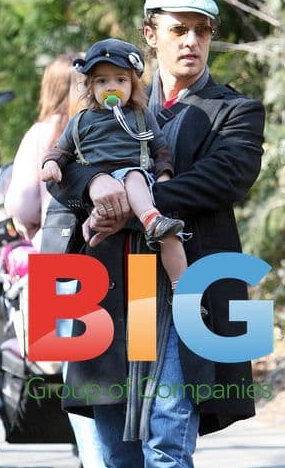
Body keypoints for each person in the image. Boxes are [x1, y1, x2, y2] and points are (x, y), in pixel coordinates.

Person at [44, 0, 265, 468]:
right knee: (113, 442)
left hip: (190, 283)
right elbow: (68, 167)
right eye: (179, 28)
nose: (192, 40)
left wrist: (139, 193)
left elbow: (225, 177)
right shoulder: (106, 98)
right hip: (113, 288)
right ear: (151, 34)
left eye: (202, 28)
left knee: (169, 428)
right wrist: (101, 183)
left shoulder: (236, 109)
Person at [5, 54, 119, 468]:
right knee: (127, 368)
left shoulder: (46, 134)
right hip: (121, 260)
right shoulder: (119, 124)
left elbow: (23, 202)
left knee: (81, 373)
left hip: (62, 263)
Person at [42, 38, 188, 292]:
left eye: (120, 80)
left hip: (140, 188)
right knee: (98, 234)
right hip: (102, 193)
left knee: (168, 235)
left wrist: (164, 176)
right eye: (102, 81)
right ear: (90, 86)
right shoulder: (81, 121)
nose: (112, 87)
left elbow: (160, 150)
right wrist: (52, 163)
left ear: (132, 84)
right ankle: (95, 231)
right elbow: (61, 150)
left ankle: (182, 287)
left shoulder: (142, 117)